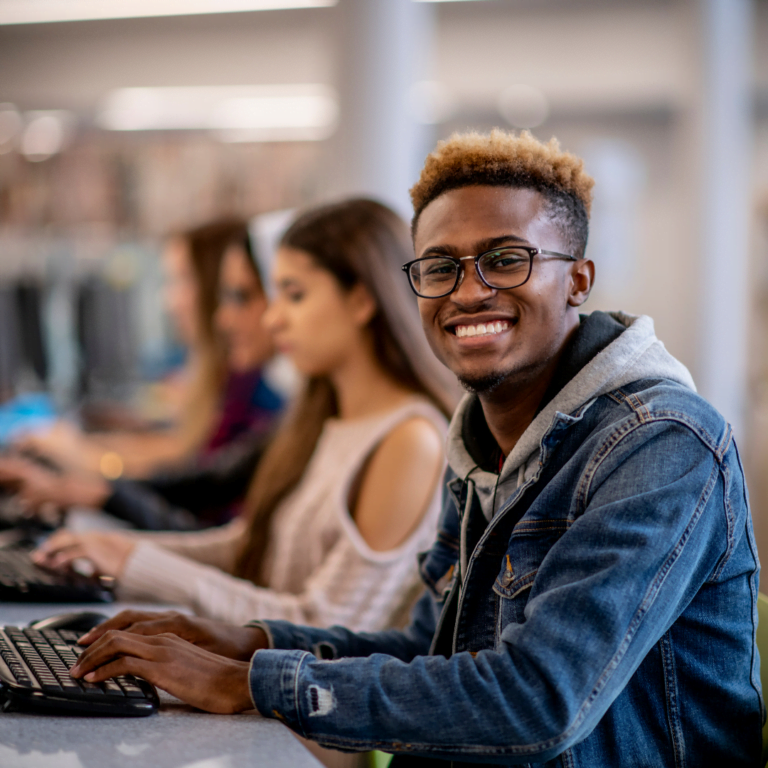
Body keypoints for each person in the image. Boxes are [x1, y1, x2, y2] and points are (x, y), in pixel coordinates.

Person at [66, 131, 761, 767]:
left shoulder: (660, 444)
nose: (468, 291)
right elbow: (432, 652)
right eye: (440, 267)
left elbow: (538, 700)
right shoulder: (484, 439)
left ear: (578, 279)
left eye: (505, 260)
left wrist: (254, 683)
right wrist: (245, 641)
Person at [34, 198, 456, 635]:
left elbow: (325, 627)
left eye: (294, 295)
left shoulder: (410, 438)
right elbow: (251, 547)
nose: (273, 319)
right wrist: (122, 551)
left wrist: (135, 563)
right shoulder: (328, 420)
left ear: (362, 300)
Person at [0, 222, 284, 530]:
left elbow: (190, 481)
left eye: (181, 280)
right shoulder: (240, 388)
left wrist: (90, 467)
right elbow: (188, 469)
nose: (169, 300)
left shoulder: (257, 396)